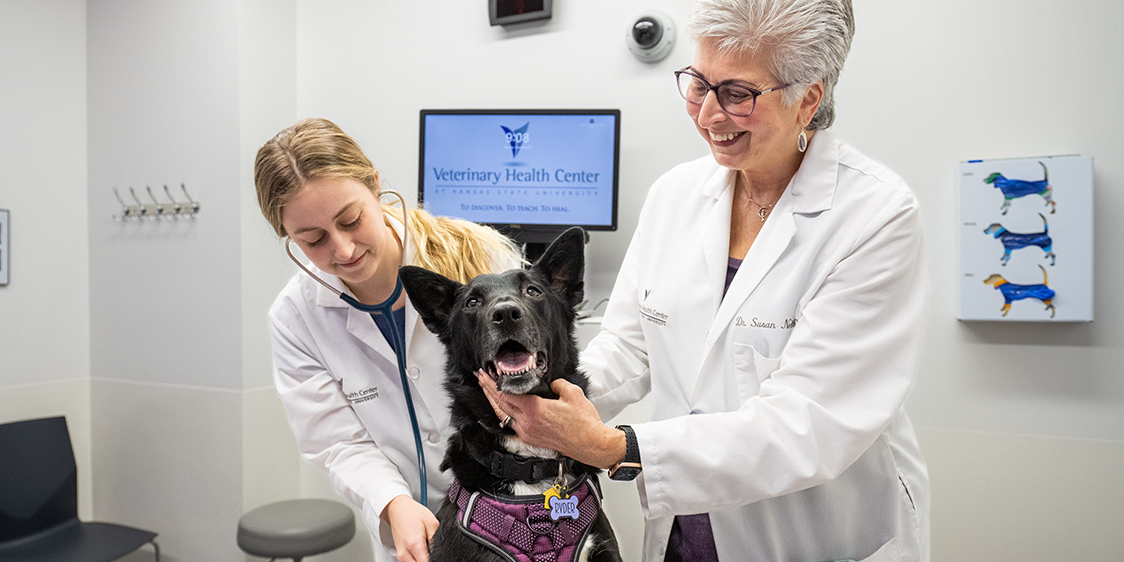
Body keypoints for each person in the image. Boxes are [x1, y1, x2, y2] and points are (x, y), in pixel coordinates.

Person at [480, 1, 930, 561]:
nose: (708, 115)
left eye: (738, 94)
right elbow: (629, 343)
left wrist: (612, 446)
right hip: (687, 523)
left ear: (808, 99)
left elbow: (806, 424)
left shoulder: (873, 216)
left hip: (808, 532)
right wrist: (543, 392)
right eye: (697, 83)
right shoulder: (676, 194)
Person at [254, 117, 522, 562]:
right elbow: (338, 442)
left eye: (351, 219)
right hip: (412, 534)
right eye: (313, 240)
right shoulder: (295, 318)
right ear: (288, 236)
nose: (342, 250)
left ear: (375, 186)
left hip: (514, 514)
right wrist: (392, 502)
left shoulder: (478, 256)